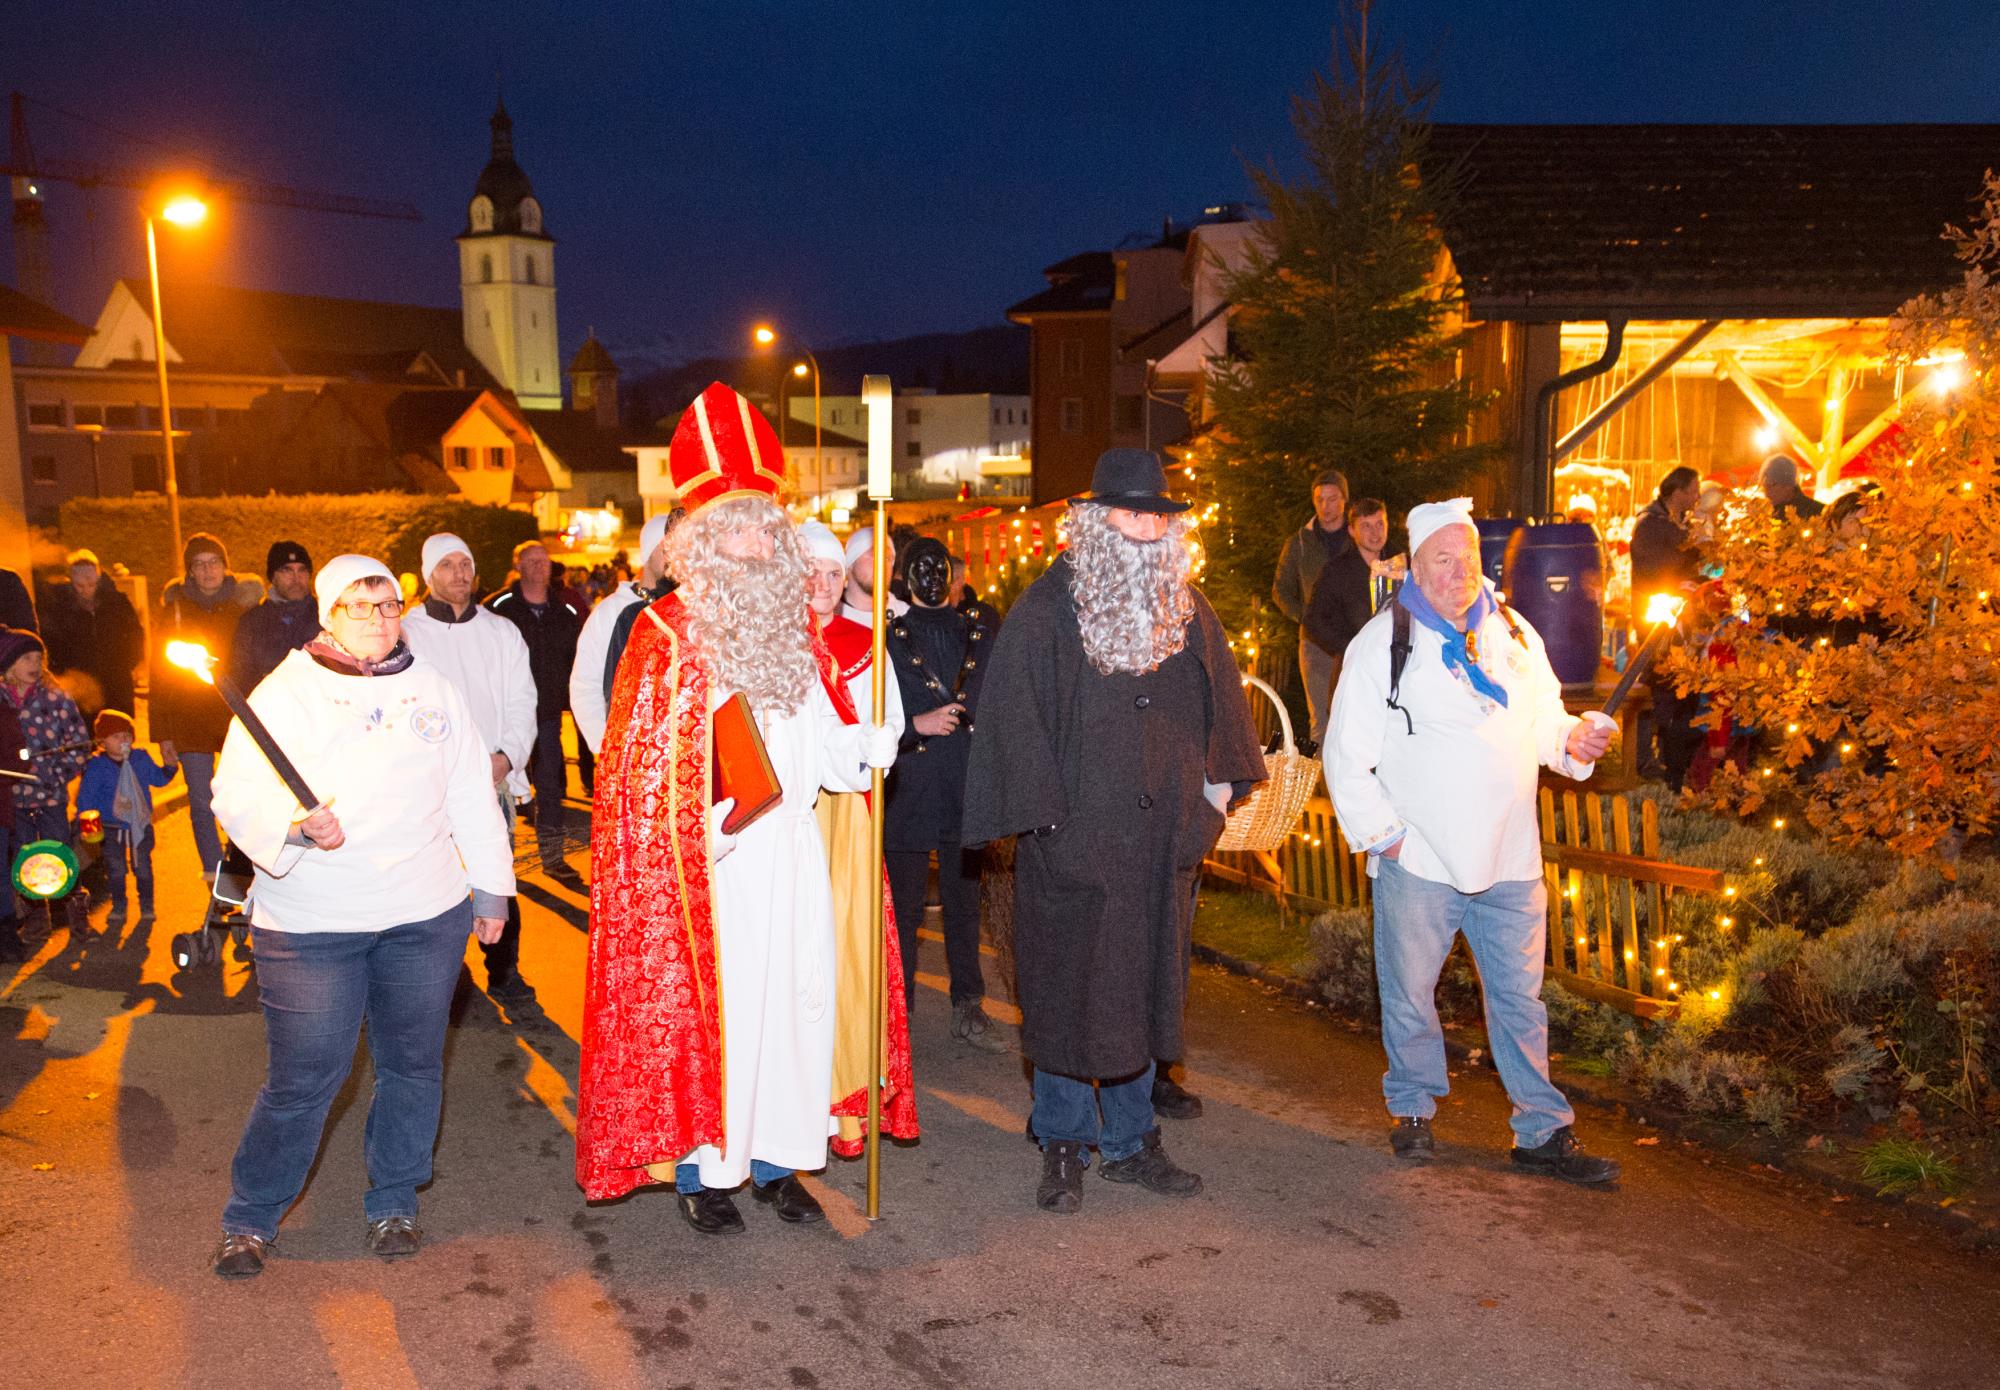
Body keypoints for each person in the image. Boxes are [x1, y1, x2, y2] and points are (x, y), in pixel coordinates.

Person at [576, 382, 903, 1232]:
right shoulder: (665, 634)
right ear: (704, 541)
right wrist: (704, 831)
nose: (760, 545)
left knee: (796, 1008)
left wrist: (860, 750)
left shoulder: (797, 631)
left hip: (793, 849)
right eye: (741, 529)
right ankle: (705, 1172)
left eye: (768, 527)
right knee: (725, 1019)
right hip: (715, 871)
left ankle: (779, 1161)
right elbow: (639, 781)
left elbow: (820, 745)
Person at [961, 448, 1265, 1214]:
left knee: (1141, 989)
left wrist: (1209, 810)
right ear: (1098, 522)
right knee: (1069, 991)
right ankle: (1064, 1139)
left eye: (1158, 517)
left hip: (1161, 849)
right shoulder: (1047, 611)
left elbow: (1227, 719)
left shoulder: (1189, 612)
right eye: (1132, 515)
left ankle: (1132, 1141)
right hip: (1076, 848)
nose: (1147, 530)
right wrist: (1049, 822)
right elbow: (1012, 720)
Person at [207, 555, 514, 1279]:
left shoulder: (432, 686)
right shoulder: (287, 691)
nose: (378, 619)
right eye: (359, 606)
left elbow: (471, 794)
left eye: (389, 604)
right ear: (328, 614)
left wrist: (491, 889)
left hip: (424, 913)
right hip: (313, 924)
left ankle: (394, 1199)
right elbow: (234, 792)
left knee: (412, 1066)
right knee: (306, 1076)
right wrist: (292, 828)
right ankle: (251, 1215)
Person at [1325, 497, 1620, 1186]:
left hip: (1510, 856)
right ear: (1415, 567)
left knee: (1521, 1001)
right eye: (1444, 560)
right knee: (1411, 994)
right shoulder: (1383, 643)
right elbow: (1344, 756)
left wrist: (1573, 739)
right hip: (1422, 859)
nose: (1461, 572)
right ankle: (1413, 1110)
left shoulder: (1514, 631)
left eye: (1469, 557)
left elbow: (1543, 718)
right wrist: (1389, 841)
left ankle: (1542, 1131)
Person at [798, 518, 921, 1160]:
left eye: (834, 574)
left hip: (847, 816)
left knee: (845, 950)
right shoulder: (771, 644)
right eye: (812, 572)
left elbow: (888, 723)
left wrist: (876, 746)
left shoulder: (864, 643)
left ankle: (840, 1103)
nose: (823, 584)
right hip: (784, 816)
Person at [399, 533, 538, 1003]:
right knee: (435, 884)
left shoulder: (502, 632)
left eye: (465, 564)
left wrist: (507, 757)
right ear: (428, 574)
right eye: (447, 565)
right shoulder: (407, 633)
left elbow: (522, 701)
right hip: (430, 786)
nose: (459, 573)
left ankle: (504, 971)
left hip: (490, 779)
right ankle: (446, 975)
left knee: (496, 876)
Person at [884, 536, 1005, 1050]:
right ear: (905, 577)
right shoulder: (887, 639)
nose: (933, 577)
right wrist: (916, 724)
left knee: (963, 907)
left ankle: (969, 1005)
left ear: (954, 576)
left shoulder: (978, 632)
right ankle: (898, 1015)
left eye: (941, 568)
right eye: (922, 567)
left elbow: (997, 707)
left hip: (964, 786)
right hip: (909, 787)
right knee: (904, 910)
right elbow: (872, 718)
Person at [151, 533, 263, 882]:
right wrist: (163, 733)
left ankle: (244, 868)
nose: (207, 570)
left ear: (225, 566)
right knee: (201, 802)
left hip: (235, 717)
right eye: (199, 564)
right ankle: (216, 878)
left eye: (213, 562)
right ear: (189, 571)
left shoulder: (244, 609)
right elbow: (159, 672)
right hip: (189, 718)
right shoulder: (175, 611)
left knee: (241, 797)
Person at [486, 540, 585, 879]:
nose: (540, 566)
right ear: (518, 566)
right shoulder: (498, 608)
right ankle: (500, 866)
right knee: (499, 788)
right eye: (531, 561)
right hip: (507, 714)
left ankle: (553, 858)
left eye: (544, 560)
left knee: (550, 785)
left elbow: (577, 658)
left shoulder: (564, 609)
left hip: (547, 713)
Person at [570, 512, 674, 755]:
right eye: (667, 549)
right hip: (626, 752)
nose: (676, 557)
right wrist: (604, 746)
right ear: (648, 552)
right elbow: (585, 683)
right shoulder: (610, 612)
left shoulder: (690, 608)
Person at [1630, 468, 1705, 789]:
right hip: (1656, 620)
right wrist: (1683, 576)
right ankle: (1646, 758)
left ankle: (1671, 757)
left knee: (1675, 689)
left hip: (1678, 621)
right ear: (1678, 492)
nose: (1697, 496)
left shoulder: (1678, 523)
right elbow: (1654, 567)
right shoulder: (1651, 525)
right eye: (1693, 490)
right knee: (1654, 686)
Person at [1271, 467, 1353, 744]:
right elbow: (1281, 590)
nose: (1326, 506)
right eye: (1320, 499)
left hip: (1353, 640)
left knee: (1353, 715)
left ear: (1344, 500)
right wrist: (1306, 617)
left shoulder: (1357, 539)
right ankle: (1321, 772)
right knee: (1321, 719)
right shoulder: (1300, 543)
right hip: (1315, 643)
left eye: (1333, 498)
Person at [76, 708, 178, 927]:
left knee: (143, 867)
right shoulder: (97, 766)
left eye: (127, 735)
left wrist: (170, 767)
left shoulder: (140, 758)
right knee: (116, 869)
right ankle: (119, 905)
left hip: (139, 825)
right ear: (102, 742)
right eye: (116, 736)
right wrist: (87, 825)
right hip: (110, 827)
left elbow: (158, 779)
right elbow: (86, 798)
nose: (123, 740)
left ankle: (147, 905)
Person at [1301, 497, 1400, 706]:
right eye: (1366, 526)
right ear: (1352, 531)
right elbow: (1313, 621)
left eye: (1379, 524)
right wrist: (1350, 647)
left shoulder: (1399, 564)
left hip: (1396, 670)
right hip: (1355, 670)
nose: (1375, 533)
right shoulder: (1336, 572)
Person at [39, 549, 145, 718]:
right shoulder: (60, 609)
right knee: (85, 729)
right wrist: (64, 673)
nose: (85, 590)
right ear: (71, 582)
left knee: (118, 727)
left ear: (98, 580)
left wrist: (127, 663)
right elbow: (52, 643)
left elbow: (135, 635)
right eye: (79, 586)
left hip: (116, 682)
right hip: (80, 686)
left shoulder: (117, 603)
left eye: (91, 584)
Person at [231, 541, 319, 693]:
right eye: (287, 570)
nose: (296, 578)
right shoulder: (252, 622)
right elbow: (240, 674)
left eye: (302, 570)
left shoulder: (327, 617)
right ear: (273, 577)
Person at [841, 526, 907, 628]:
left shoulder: (905, 615)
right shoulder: (829, 617)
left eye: (888, 558)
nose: (881, 564)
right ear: (850, 563)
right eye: (874, 555)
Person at [1760, 454, 1824, 522]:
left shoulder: (1819, 513)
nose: (1766, 493)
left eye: (1770, 486)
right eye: (1764, 487)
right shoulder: (1766, 516)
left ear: (1788, 486)